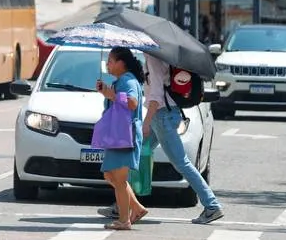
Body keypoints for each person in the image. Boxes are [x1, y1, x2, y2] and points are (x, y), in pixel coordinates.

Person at [100, 55, 224, 226]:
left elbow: (156, 95)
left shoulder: (154, 60)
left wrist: (147, 122)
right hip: (162, 115)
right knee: (132, 156)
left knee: (181, 162)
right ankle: (126, 206)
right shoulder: (154, 58)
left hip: (161, 116)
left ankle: (212, 205)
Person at [95, 47, 147, 230]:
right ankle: (137, 208)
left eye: (110, 60)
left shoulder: (127, 81)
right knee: (110, 175)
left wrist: (111, 95)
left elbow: (132, 103)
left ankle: (124, 220)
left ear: (121, 63)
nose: (107, 64)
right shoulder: (121, 81)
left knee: (119, 179)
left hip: (125, 135)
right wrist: (107, 93)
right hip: (118, 135)